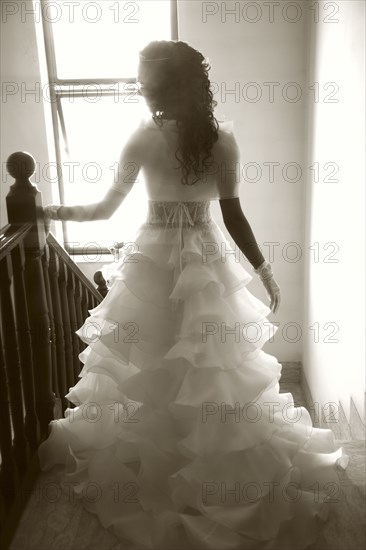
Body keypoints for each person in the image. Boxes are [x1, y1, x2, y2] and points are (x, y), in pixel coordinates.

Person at [39, 40, 348, 550]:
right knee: (209, 369)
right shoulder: (222, 140)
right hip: (205, 257)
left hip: (154, 258)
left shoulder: (142, 137)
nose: (140, 89)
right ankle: (202, 458)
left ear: (164, 85)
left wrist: (53, 216)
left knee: (154, 359)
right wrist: (265, 272)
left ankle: (166, 464)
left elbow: (103, 209)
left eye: (144, 81)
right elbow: (233, 214)